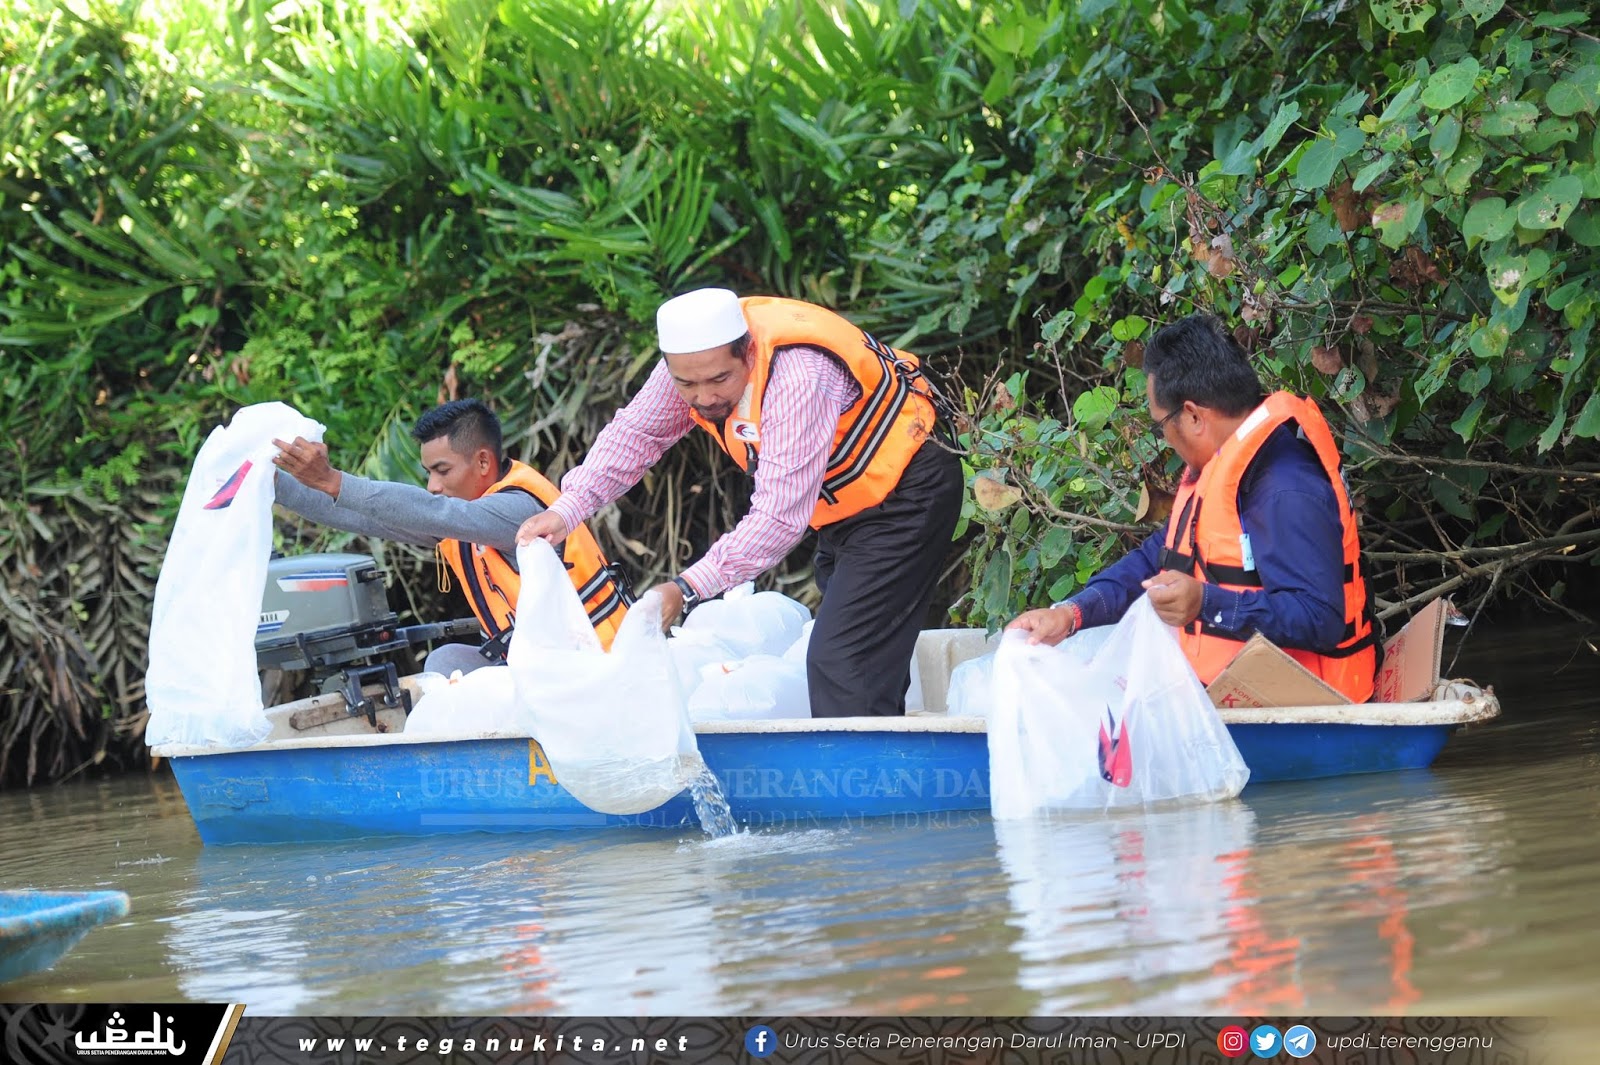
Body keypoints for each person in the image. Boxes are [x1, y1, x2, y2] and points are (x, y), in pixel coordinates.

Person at [516, 288, 963, 718]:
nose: (704, 397)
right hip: (844, 505)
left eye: (719, 380)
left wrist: (685, 588)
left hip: (908, 490)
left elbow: (778, 518)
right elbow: (637, 435)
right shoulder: (693, 362)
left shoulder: (798, 377)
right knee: (865, 657)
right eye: (687, 383)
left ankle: (858, 772)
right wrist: (565, 510)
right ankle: (883, 758)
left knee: (844, 664)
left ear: (748, 352)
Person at [1007, 314, 1378, 703]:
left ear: (1194, 415)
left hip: (1310, 713)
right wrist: (1071, 614)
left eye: (1161, 425)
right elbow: (1160, 555)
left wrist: (1206, 603)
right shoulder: (1224, 463)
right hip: (1237, 696)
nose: (1165, 439)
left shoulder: (1285, 487)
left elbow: (1319, 618)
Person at [272, 398, 629, 672]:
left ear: (484, 462)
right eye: (428, 472)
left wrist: (334, 480)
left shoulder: (518, 510)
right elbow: (359, 516)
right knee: (446, 662)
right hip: (540, 665)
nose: (433, 485)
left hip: (596, 663)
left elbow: (434, 511)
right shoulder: (464, 517)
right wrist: (275, 485)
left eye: (442, 471)